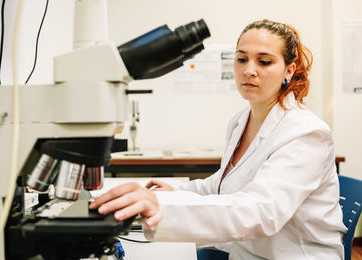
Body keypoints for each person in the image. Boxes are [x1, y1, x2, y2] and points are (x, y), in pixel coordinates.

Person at [90, 19, 347, 259]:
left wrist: (161, 208)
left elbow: (261, 212)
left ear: (288, 71)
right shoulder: (240, 121)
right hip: (246, 251)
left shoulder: (306, 133)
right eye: (241, 59)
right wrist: (171, 194)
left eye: (264, 62)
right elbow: (223, 186)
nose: (249, 70)